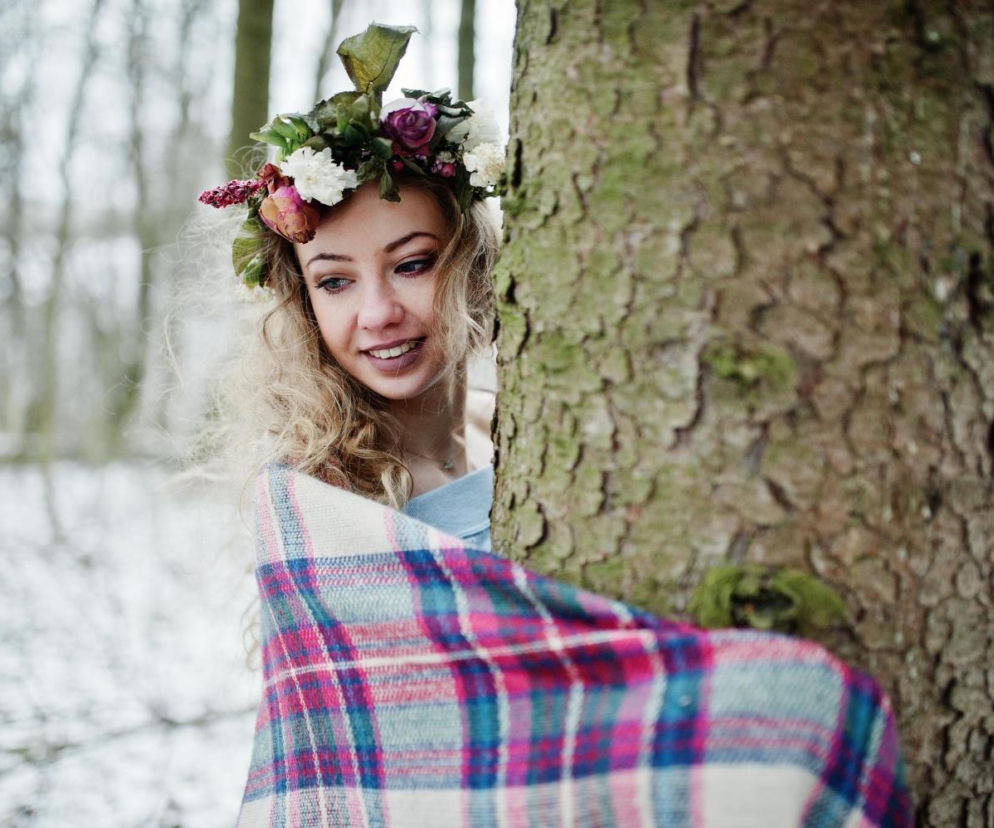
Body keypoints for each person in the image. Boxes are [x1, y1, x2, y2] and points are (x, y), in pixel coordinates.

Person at [201, 24, 911, 828]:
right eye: (335, 281)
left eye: (411, 263)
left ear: (469, 258)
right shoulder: (315, 509)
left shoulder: (532, 440)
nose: (378, 313)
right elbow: (360, 760)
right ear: (303, 301)